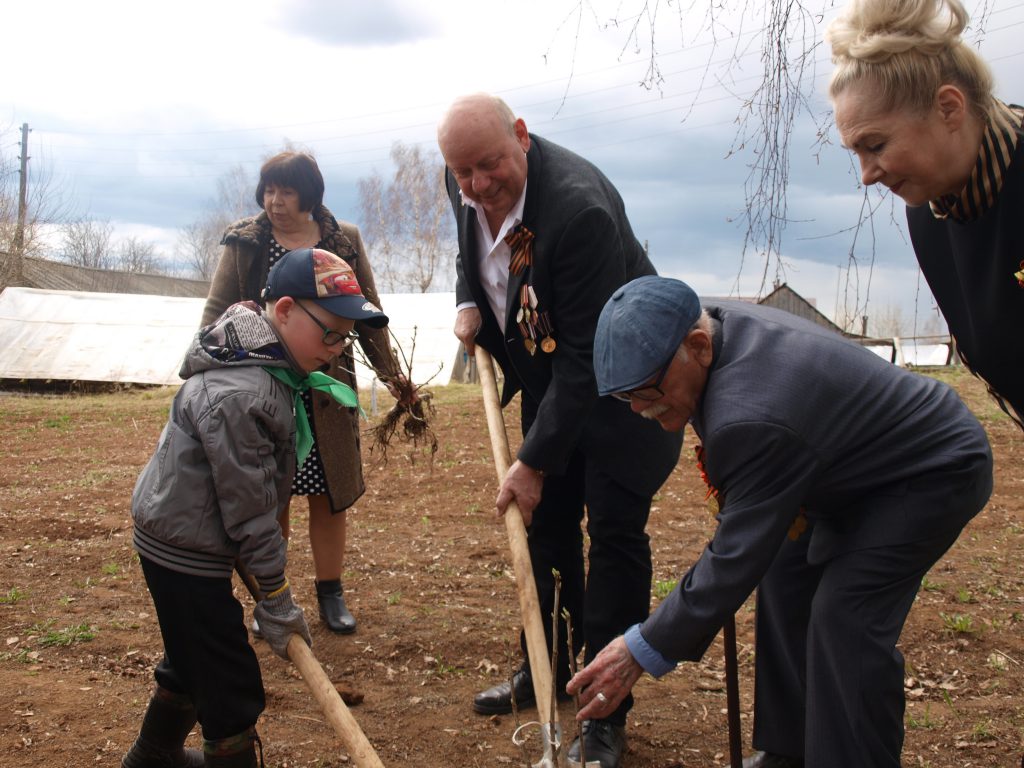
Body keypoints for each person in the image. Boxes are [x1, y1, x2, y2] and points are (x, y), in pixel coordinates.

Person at [566, 276, 993, 768]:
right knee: (787, 573)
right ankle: (790, 749)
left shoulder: (752, 413)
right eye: (626, 398)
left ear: (698, 347)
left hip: (930, 469)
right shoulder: (706, 326)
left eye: (646, 390)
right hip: (845, 465)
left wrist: (640, 648)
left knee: (845, 615)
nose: (640, 410)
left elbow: (733, 558)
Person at [436, 93, 683, 768]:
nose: (479, 185)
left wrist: (533, 460)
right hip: (554, 390)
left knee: (612, 542)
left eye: (490, 165)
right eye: (465, 174)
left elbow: (584, 358)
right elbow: (478, 249)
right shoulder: (468, 181)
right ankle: (541, 671)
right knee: (544, 532)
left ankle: (603, 713)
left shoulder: (578, 213)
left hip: (624, 398)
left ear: (522, 136)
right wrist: (469, 303)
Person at [123, 248, 389, 768]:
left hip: (187, 533)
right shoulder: (243, 392)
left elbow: (252, 498)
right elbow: (249, 511)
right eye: (329, 332)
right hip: (185, 546)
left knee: (194, 652)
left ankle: (154, 754)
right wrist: (275, 593)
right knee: (229, 681)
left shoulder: (263, 368)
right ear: (284, 310)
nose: (336, 351)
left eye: (345, 338)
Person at [203, 151, 403, 635]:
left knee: (329, 495)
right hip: (263, 387)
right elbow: (217, 311)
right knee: (271, 496)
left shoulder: (342, 240)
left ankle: (331, 593)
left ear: (309, 195)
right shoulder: (246, 241)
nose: (275, 201)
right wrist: (207, 368)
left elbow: (366, 313)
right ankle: (274, 594)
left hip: (327, 389)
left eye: (287, 191)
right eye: (269, 189)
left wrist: (394, 376)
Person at [827, 0, 1023, 428]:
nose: (866, 176)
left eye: (875, 145)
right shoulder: (929, 217)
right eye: (856, 153)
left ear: (949, 108)